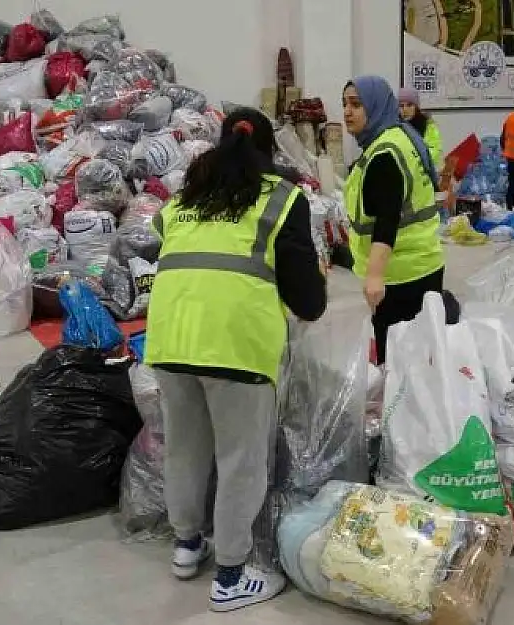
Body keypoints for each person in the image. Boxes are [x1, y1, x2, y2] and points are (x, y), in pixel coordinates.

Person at [145, 107, 327, 612]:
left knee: (185, 448)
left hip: (170, 339)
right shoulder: (282, 200)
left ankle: (186, 546)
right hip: (237, 344)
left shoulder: (183, 201)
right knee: (241, 461)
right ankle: (230, 574)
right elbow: (308, 299)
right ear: (269, 152)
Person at [343, 76, 445, 365]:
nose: (348, 112)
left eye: (356, 104)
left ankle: (400, 410)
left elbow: (387, 221)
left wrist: (375, 276)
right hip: (422, 263)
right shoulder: (400, 136)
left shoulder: (384, 155)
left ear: (375, 107)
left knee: (398, 364)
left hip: (401, 275)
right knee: (418, 359)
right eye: (345, 104)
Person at [398, 87, 444, 169]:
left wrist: (414, 160)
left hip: (423, 171)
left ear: (416, 107)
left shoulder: (428, 125)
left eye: (409, 105)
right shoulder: (395, 126)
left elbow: (435, 152)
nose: (405, 109)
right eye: (401, 106)